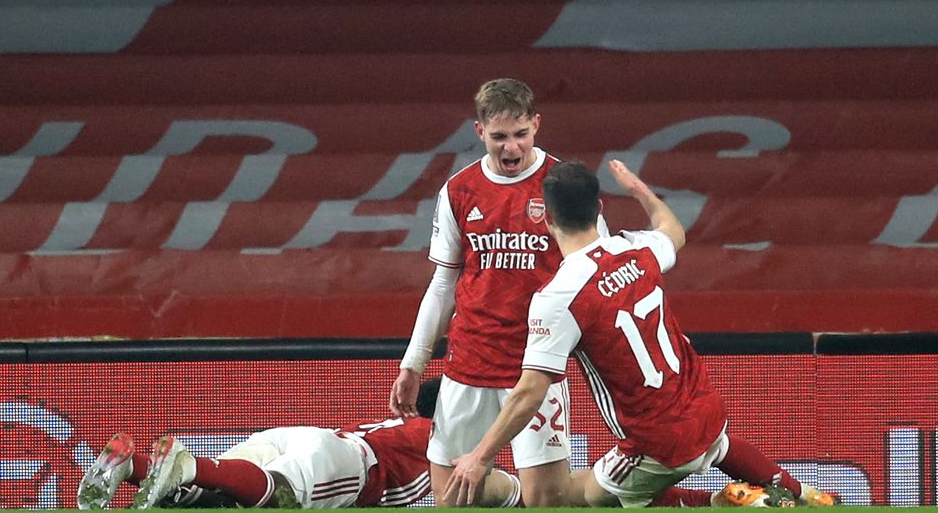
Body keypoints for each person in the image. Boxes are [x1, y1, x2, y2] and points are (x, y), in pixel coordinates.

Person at [442, 160, 836, 508]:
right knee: (718, 444)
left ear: (546, 219)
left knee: (579, 496)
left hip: (653, 442)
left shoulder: (559, 295)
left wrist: (479, 456)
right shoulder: (637, 248)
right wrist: (641, 191)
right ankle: (803, 496)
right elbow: (673, 230)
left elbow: (529, 391)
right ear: (599, 209)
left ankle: (722, 504)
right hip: (705, 406)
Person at [389, 77, 608, 507]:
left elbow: (599, 274)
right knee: (451, 499)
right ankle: (510, 493)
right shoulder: (459, 190)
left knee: (549, 501)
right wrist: (413, 361)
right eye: (500, 137)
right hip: (469, 362)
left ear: (537, 126)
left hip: (536, 365)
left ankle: (532, 492)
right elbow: (443, 283)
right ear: (479, 132)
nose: (511, 149)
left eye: (521, 135)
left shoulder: (561, 187)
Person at [77, 378, 521, 510]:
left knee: (212, 501)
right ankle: (186, 465)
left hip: (302, 438)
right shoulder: (444, 440)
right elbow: (485, 484)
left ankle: (130, 466)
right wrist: (526, 494)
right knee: (281, 498)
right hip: (349, 465)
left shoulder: (400, 426)